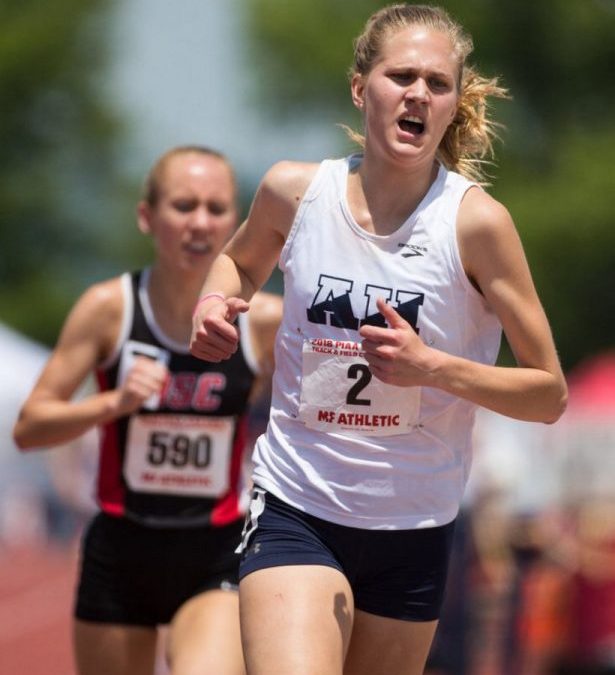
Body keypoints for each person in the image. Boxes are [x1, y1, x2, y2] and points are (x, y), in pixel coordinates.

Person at [189, 4, 568, 675]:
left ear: (453, 105)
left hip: (413, 530)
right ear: (361, 87)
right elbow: (239, 261)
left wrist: (433, 368)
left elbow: (546, 394)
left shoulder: (476, 225)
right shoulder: (293, 192)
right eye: (401, 76)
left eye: (437, 83)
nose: (418, 92)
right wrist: (216, 302)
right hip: (295, 504)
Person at [13, 145, 282, 675]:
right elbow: (29, 428)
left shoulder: (263, 321)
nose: (200, 223)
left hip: (216, 550)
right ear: (147, 217)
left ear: (236, 222)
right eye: (183, 206)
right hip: (121, 550)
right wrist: (113, 402)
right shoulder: (108, 308)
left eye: (216, 208)